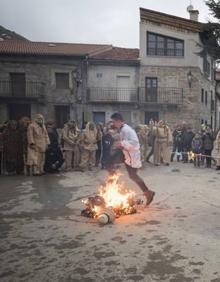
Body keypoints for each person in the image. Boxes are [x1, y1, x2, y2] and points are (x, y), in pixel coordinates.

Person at [107, 113, 155, 206]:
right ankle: (111, 181)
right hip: (126, 154)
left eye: (114, 121)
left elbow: (134, 142)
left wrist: (122, 144)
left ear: (118, 121)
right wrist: (120, 144)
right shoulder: (122, 129)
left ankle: (148, 193)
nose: (113, 123)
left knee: (133, 175)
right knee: (110, 161)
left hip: (132, 156)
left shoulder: (126, 129)